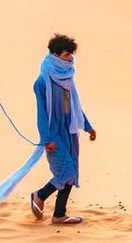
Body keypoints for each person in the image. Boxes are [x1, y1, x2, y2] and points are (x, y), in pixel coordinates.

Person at [28, 33, 96, 226]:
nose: (70, 59)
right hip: (54, 134)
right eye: (67, 55)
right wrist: (46, 138)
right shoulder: (42, 82)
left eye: (71, 55)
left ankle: (59, 214)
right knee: (65, 172)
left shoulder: (67, 79)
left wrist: (88, 127)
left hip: (70, 131)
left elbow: (75, 106)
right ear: (56, 55)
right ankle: (39, 195)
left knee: (71, 172)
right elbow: (41, 113)